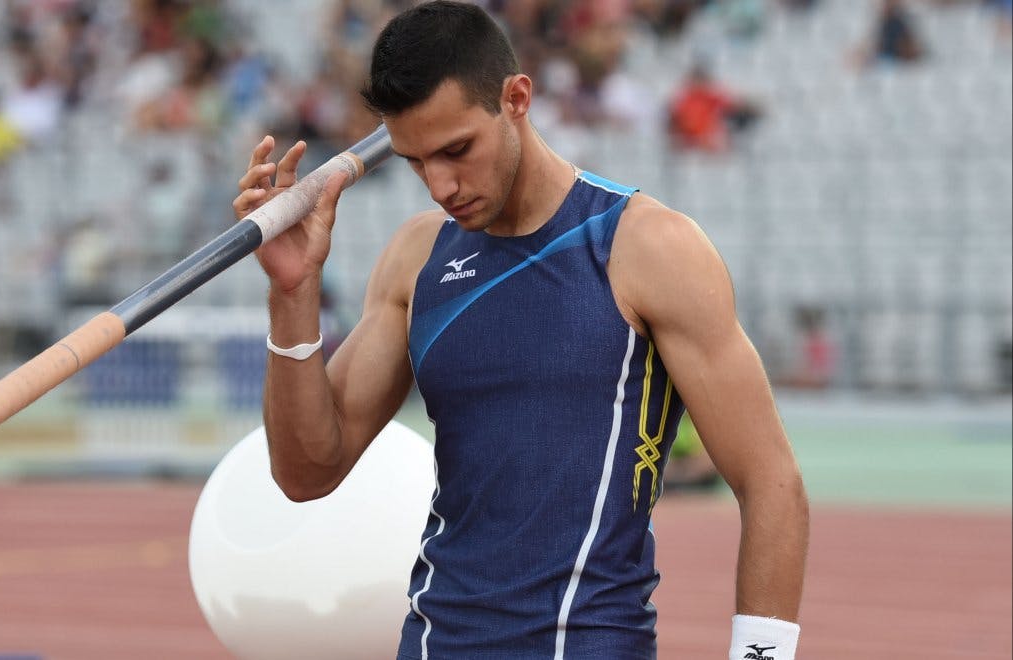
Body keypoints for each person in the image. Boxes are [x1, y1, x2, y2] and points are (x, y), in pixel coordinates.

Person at [230, 2, 808, 658]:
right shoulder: (418, 258)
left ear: (517, 99)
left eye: (457, 150)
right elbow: (306, 471)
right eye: (416, 161)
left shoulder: (645, 247)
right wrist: (293, 293)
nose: (440, 185)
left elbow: (771, 483)